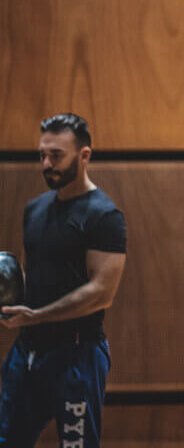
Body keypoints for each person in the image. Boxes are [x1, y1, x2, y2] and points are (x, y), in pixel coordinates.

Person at [0, 114, 127, 447]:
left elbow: (101, 293)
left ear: (84, 155)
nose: (46, 163)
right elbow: (31, 276)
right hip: (27, 352)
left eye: (56, 155)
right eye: (42, 154)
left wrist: (37, 315)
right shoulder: (34, 210)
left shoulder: (104, 216)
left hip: (77, 354)